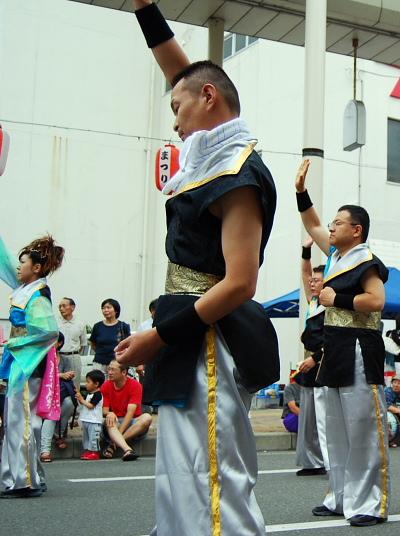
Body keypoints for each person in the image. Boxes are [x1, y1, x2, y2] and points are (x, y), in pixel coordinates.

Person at [115, 2, 280, 534]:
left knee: (211, 476)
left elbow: (240, 282)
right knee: (183, 472)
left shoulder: (238, 171)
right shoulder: (212, 156)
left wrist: (157, 336)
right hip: (191, 328)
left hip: (210, 338)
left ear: (210, 99)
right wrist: (145, 9)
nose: (175, 118)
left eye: (180, 106)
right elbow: (181, 73)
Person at [297, 160, 390, 527]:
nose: (331, 227)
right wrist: (301, 192)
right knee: (332, 430)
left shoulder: (366, 260)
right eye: (332, 222)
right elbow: (311, 223)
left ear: (357, 229)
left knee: (363, 428)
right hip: (333, 348)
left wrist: (339, 300)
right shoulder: (336, 256)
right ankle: (339, 495)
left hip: (357, 348)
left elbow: (377, 300)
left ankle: (369, 502)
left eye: (338, 222)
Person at [0, 235, 64, 498]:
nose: (18, 267)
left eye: (23, 261)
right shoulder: (28, 289)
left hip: (28, 366)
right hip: (22, 364)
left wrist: (15, 343)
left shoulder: (37, 295)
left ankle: (25, 481)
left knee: (23, 423)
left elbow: (49, 333)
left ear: (36, 268)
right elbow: (5, 265)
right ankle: (23, 476)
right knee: (18, 422)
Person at [292, 240, 327, 476]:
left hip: (324, 361)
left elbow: (335, 340)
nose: (312, 282)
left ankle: (325, 460)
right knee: (309, 416)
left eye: (317, 279)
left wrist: (315, 358)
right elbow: (305, 273)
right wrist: (306, 250)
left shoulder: (333, 306)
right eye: (312, 280)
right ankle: (310, 461)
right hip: (309, 361)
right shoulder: (313, 302)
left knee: (323, 416)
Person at [40, 332, 78, 462]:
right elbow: (42, 377)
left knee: (70, 402)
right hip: (46, 394)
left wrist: (67, 375)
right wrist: (61, 375)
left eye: (53, 341)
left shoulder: (65, 359)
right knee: (51, 414)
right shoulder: (42, 358)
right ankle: (45, 450)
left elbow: (69, 375)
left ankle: (58, 434)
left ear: (60, 343)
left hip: (62, 393)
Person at [101, 360, 150, 461]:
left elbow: (130, 413)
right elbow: (104, 410)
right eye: (109, 369)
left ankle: (113, 445)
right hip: (115, 423)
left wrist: (118, 435)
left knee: (147, 417)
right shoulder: (106, 385)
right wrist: (109, 413)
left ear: (124, 372)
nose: (109, 372)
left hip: (132, 423)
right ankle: (127, 449)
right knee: (110, 420)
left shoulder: (135, 385)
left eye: (113, 370)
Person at [90, 299, 130, 375]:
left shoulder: (123, 326)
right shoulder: (97, 326)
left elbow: (128, 344)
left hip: (117, 363)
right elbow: (93, 344)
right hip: (99, 363)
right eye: (103, 308)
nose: (105, 310)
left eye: (108, 307)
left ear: (116, 310)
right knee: (99, 385)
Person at [57, 297, 87, 392]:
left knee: (75, 386)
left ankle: (75, 406)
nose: (61, 309)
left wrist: (73, 353)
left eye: (64, 306)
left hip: (74, 357)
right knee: (57, 383)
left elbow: (83, 344)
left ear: (72, 307)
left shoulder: (80, 324)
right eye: (60, 306)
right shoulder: (55, 323)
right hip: (58, 356)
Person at [76, 370, 105, 460]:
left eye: (88, 382)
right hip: (87, 420)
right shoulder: (89, 394)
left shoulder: (98, 395)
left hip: (94, 421)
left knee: (93, 438)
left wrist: (81, 400)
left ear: (96, 384)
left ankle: (95, 452)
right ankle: (88, 451)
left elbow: (91, 406)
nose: (86, 384)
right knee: (86, 437)